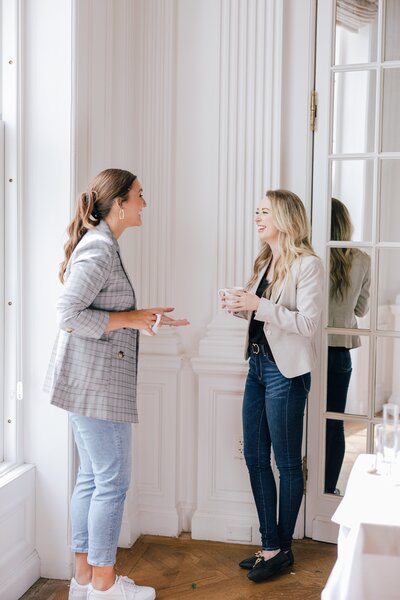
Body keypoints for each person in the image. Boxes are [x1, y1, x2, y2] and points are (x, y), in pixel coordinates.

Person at [44, 168, 189, 600]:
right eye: (140, 195)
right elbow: (67, 315)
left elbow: (103, 310)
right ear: (120, 204)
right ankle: (105, 587)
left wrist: (142, 317)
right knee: (111, 481)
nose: (145, 202)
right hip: (96, 387)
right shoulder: (101, 248)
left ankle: (84, 580)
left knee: (92, 478)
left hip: (88, 383)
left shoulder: (102, 245)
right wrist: (131, 319)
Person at [221, 189, 324, 583]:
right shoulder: (266, 260)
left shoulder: (307, 265)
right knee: (254, 457)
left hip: (286, 374)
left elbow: (308, 325)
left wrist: (257, 305)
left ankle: (279, 549)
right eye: (256, 211)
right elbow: (264, 318)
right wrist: (238, 306)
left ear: (285, 217)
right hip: (258, 368)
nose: (257, 217)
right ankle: (272, 544)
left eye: (264, 211)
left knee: (285, 463)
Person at [325, 198, 370, 494]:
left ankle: (304, 489)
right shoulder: (363, 259)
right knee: (334, 424)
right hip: (340, 352)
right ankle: (328, 489)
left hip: (308, 350)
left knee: (301, 424)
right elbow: (361, 310)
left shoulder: (311, 257)